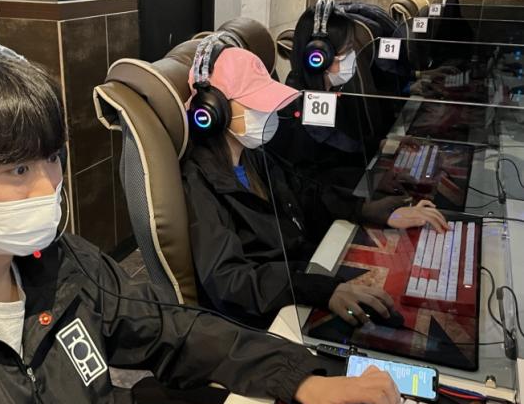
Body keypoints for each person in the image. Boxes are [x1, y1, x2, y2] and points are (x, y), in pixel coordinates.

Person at [0, 40, 404, 404]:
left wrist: (300, 375)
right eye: (17, 170)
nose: (49, 187)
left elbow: (171, 329)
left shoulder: (61, 263)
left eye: (53, 159)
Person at [182, 45, 448, 330]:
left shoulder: (253, 157)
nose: (268, 111)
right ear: (211, 111)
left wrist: (370, 211)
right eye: (255, 104)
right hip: (270, 317)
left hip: (301, 279)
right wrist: (319, 290)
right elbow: (230, 281)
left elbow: (307, 194)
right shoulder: (199, 182)